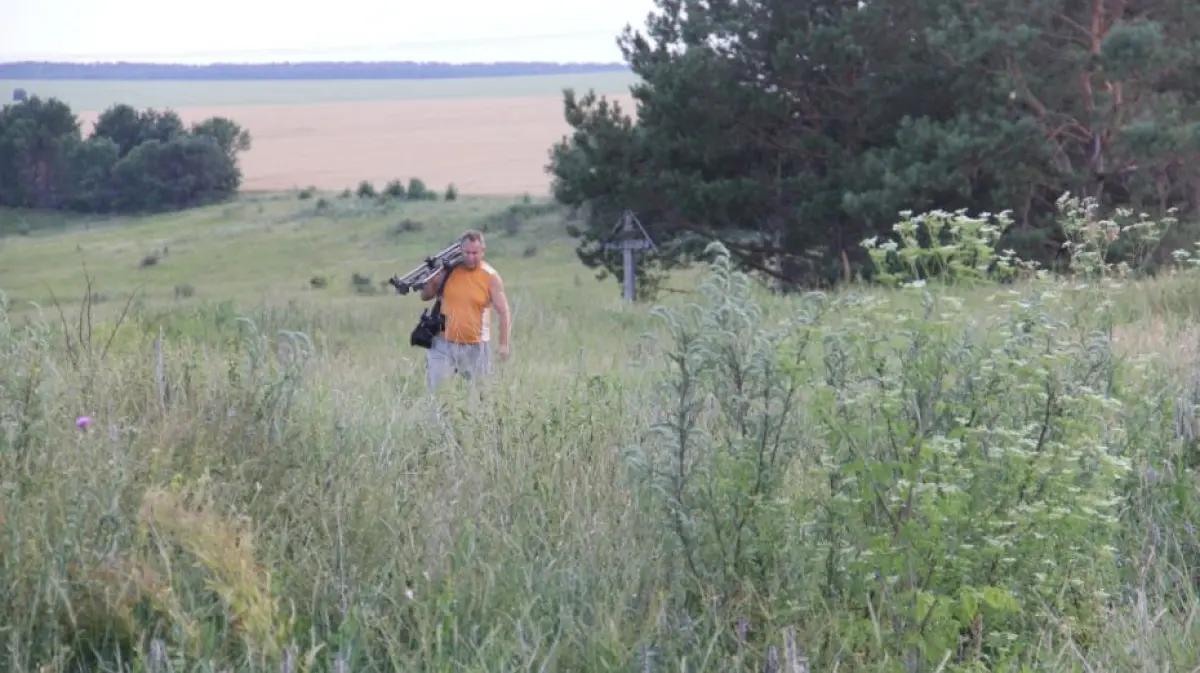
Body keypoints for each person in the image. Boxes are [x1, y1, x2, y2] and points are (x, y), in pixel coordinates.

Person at [419, 229, 511, 389]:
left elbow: (504, 312)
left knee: (483, 395)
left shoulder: (490, 276)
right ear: (460, 251)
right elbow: (426, 296)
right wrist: (433, 280)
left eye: (475, 253)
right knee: (439, 394)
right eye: (466, 252)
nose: (470, 257)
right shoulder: (448, 271)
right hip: (443, 343)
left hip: (476, 346)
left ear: (482, 251)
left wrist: (503, 344)